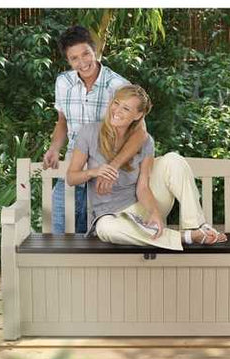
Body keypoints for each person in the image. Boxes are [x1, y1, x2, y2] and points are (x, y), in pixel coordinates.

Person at [66, 85, 227, 250]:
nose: (117, 110)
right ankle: (184, 237)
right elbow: (71, 178)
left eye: (126, 108)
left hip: (142, 206)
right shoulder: (89, 133)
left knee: (173, 159)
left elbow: (143, 187)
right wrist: (94, 171)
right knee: (106, 229)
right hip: (111, 215)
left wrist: (154, 212)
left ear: (138, 115)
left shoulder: (145, 141)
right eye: (116, 103)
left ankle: (196, 226)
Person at [43, 25, 147, 234]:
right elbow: (62, 121)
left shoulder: (118, 85)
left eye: (86, 54)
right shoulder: (63, 82)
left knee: (97, 235)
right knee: (59, 229)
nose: (82, 63)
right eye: (74, 58)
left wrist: (114, 167)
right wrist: (55, 148)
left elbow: (140, 132)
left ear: (95, 51)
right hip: (76, 167)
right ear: (68, 60)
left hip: (107, 170)